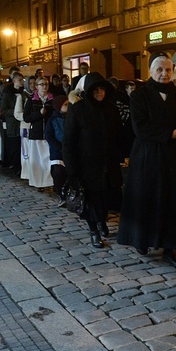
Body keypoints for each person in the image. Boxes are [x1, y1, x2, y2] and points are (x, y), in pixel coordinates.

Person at [117, 54, 176, 265]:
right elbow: (140, 127)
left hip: (174, 158)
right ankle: (142, 238)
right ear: (151, 71)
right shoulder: (139, 96)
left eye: (168, 70)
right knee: (146, 198)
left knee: (172, 202)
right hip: (148, 156)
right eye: (160, 69)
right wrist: (171, 133)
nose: (164, 73)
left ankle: (170, 247)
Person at [63, 74, 123, 248]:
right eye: (95, 90)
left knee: (106, 198)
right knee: (91, 200)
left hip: (108, 164)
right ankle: (93, 231)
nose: (99, 93)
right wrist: (72, 169)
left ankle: (102, 222)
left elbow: (119, 134)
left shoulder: (111, 109)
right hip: (87, 166)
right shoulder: (78, 109)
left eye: (102, 89)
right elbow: (68, 141)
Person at [23, 75, 54, 189]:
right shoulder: (32, 100)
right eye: (41, 84)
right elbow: (26, 117)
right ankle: (37, 182)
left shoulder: (52, 99)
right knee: (37, 160)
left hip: (48, 134)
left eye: (46, 84)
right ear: (36, 87)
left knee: (48, 159)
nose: (44, 87)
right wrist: (39, 114)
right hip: (36, 134)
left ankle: (49, 181)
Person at [45, 96, 69, 206]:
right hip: (58, 152)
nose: (68, 107)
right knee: (58, 173)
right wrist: (59, 147)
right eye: (66, 105)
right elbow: (49, 136)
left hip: (70, 150)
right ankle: (61, 194)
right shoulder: (52, 120)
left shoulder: (72, 118)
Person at [1, 71, 24, 176]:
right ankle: (16, 166)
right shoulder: (7, 93)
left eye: (22, 80)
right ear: (14, 81)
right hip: (12, 123)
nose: (21, 82)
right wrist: (15, 112)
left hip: (22, 122)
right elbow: (4, 110)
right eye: (19, 80)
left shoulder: (24, 92)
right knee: (14, 146)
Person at [15, 76, 35, 180]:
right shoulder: (22, 97)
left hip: (36, 127)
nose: (32, 85)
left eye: (34, 83)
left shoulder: (37, 96)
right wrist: (29, 117)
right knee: (26, 152)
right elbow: (17, 114)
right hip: (25, 127)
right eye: (30, 83)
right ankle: (27, 173)